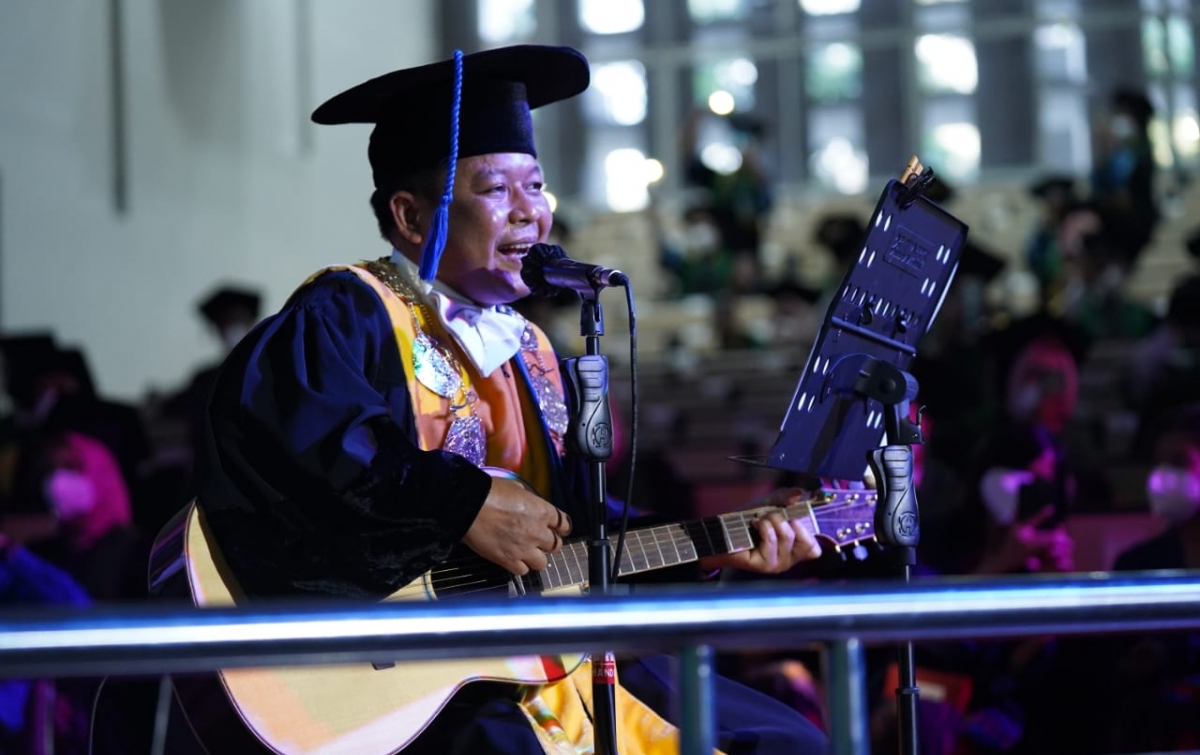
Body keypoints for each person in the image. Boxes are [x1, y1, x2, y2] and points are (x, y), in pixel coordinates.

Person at [189, 45, 827, 755]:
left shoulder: (531, 349)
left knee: (785, 741)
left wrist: (717, 545)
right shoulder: (349, 312)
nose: (532, 213)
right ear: (411, 217)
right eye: (496, 189)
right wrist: (461, 502)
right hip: (415, 671)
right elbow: (312, 449)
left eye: (538, 186)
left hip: (548, 656)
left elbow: (573, 532)